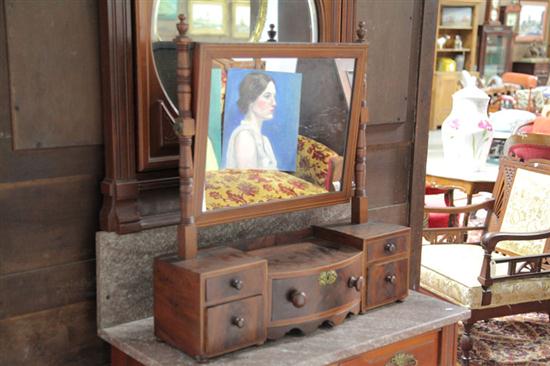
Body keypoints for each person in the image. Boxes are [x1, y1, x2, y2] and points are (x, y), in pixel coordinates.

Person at [224, 72, 278, 170]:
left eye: (274, 96)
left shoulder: (265, 141)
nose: (274, 103)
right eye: (267, 96)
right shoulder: (244, 136)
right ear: (250, 99)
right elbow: (248, 181)